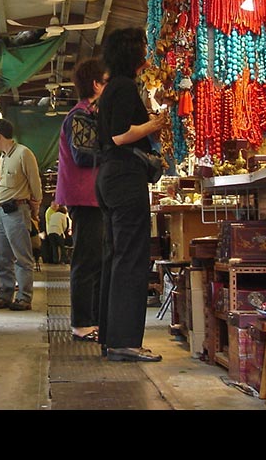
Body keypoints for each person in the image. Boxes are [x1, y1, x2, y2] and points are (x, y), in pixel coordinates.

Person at [95, 27, 168, 362]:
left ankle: (112, 336)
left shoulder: (112, 88)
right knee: (131, 259)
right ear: (132, 53)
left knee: (116, 257)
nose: (146, 52)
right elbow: (120, 136)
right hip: (124, 176)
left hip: (110, 178)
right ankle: (125, 341)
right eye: (142, 47)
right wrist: (153, 126)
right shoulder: (124, 87)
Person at [56, 58, 107, 342]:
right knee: (86, 261)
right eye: (107, 81)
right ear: (96, 84)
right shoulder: (80, 115)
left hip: (93, 196)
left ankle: (94, 320)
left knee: (96, 260)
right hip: (85, 197)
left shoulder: (90, 114)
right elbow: (83, 154)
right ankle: (81, 324)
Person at [0, 118, 42, 311]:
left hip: (17, 211)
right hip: (0, 213)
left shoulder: (23, 154)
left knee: (22, 256)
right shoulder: (3, 158)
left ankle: (24, 297)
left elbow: (35, 185)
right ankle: (5, 293)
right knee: (2, 257)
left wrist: (34, 209)